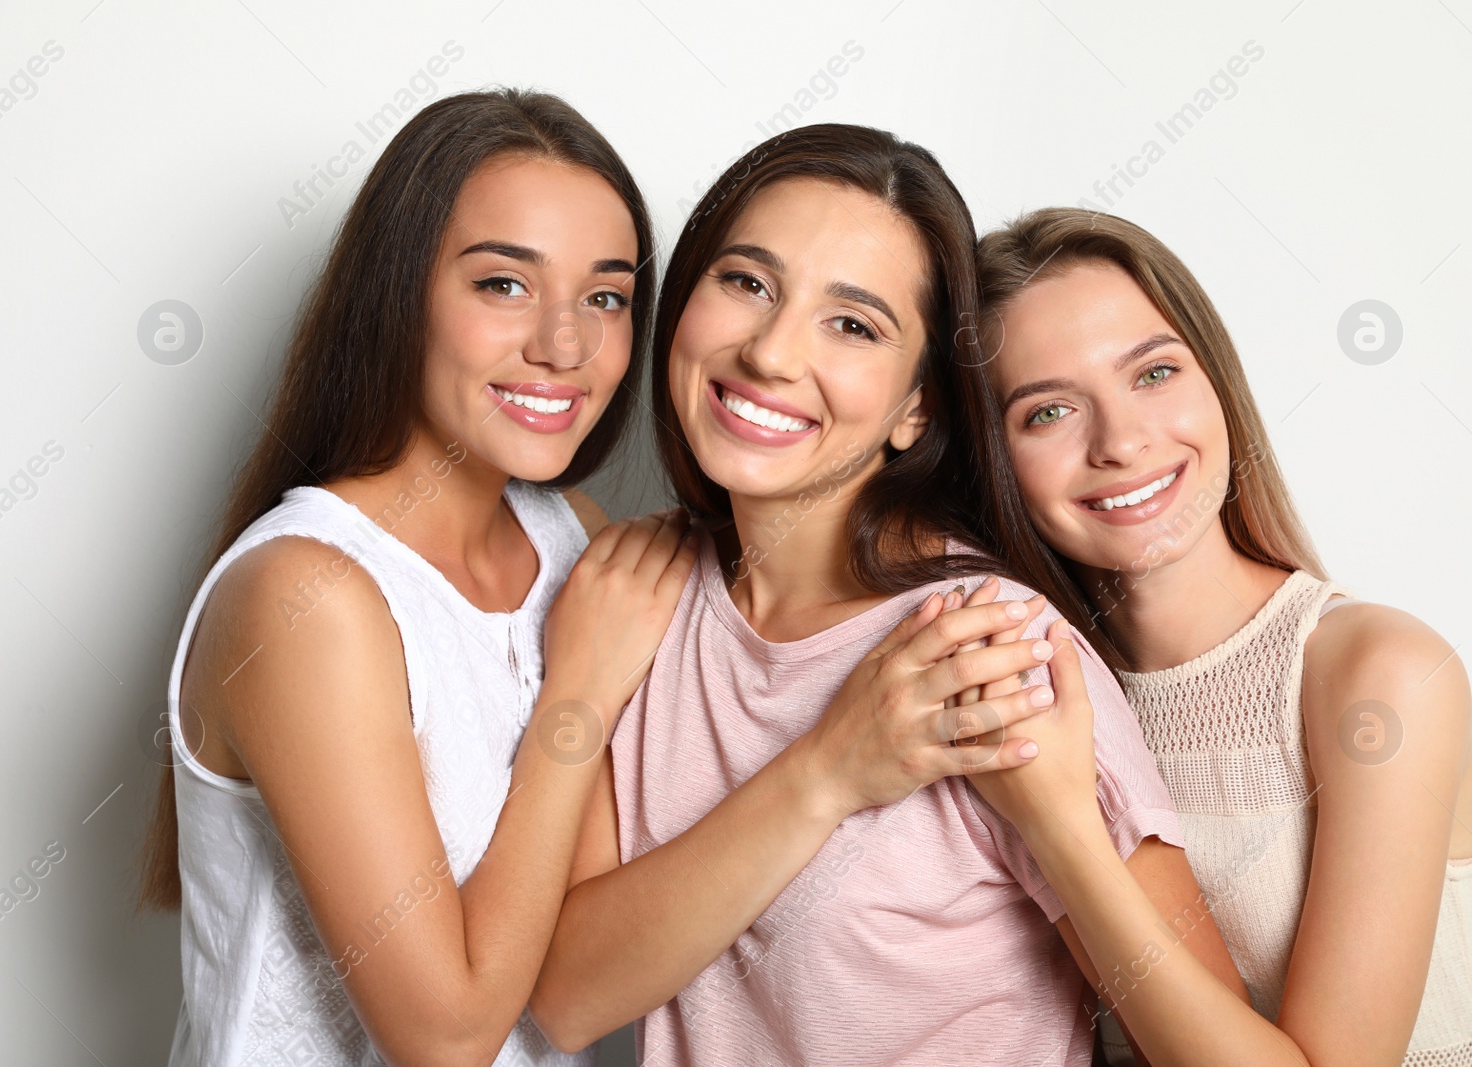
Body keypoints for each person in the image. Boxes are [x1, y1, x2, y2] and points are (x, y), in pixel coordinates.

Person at [528, 126, 1245, 1067]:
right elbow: (571, 999)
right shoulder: (641, 598)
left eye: (854, 324)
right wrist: (828, 769)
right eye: (746, 281)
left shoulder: (988, 647)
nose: (773, 353)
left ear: (918, 407)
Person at [138, 89, 696, 1067]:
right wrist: (578, 694)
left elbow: (582, 948)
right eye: (503, 284)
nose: (564, 345)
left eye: (604, 296)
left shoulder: (576, 540)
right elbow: (447, 1032)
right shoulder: (305, 597)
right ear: (398, 292)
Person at [966, 206, 1472, 1065]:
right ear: (994, 461)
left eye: (1153, 373)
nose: (1123, 440)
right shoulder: (1045, 697)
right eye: (1048, 412)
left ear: (1217, 378)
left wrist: (1061, 829)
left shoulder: (1380, 673)